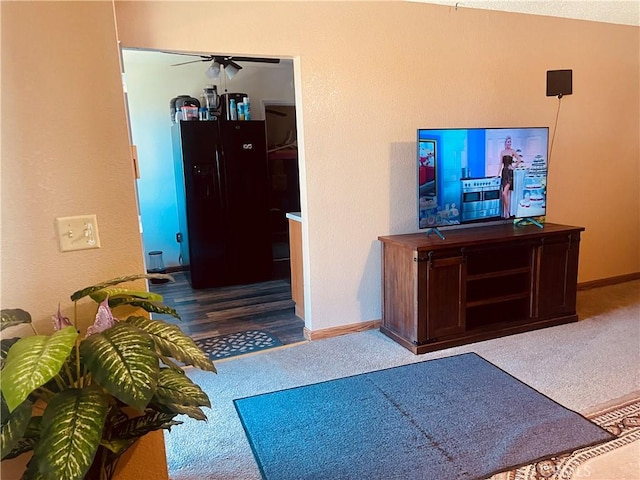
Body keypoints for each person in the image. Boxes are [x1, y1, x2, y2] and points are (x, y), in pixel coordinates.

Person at [498, 136, 523, 218]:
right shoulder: (502, 152)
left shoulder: (512, 151)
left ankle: (507, 212)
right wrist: (497, 174)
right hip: (504, 173)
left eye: (510, 142)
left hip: (509, 173)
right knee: (505, 194)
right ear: (505, 143)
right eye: (508, 142)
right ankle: (506, 212)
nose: (509, 143)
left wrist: (513, 167)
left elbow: (519, 159)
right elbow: (500, 164)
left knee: (504, 193)